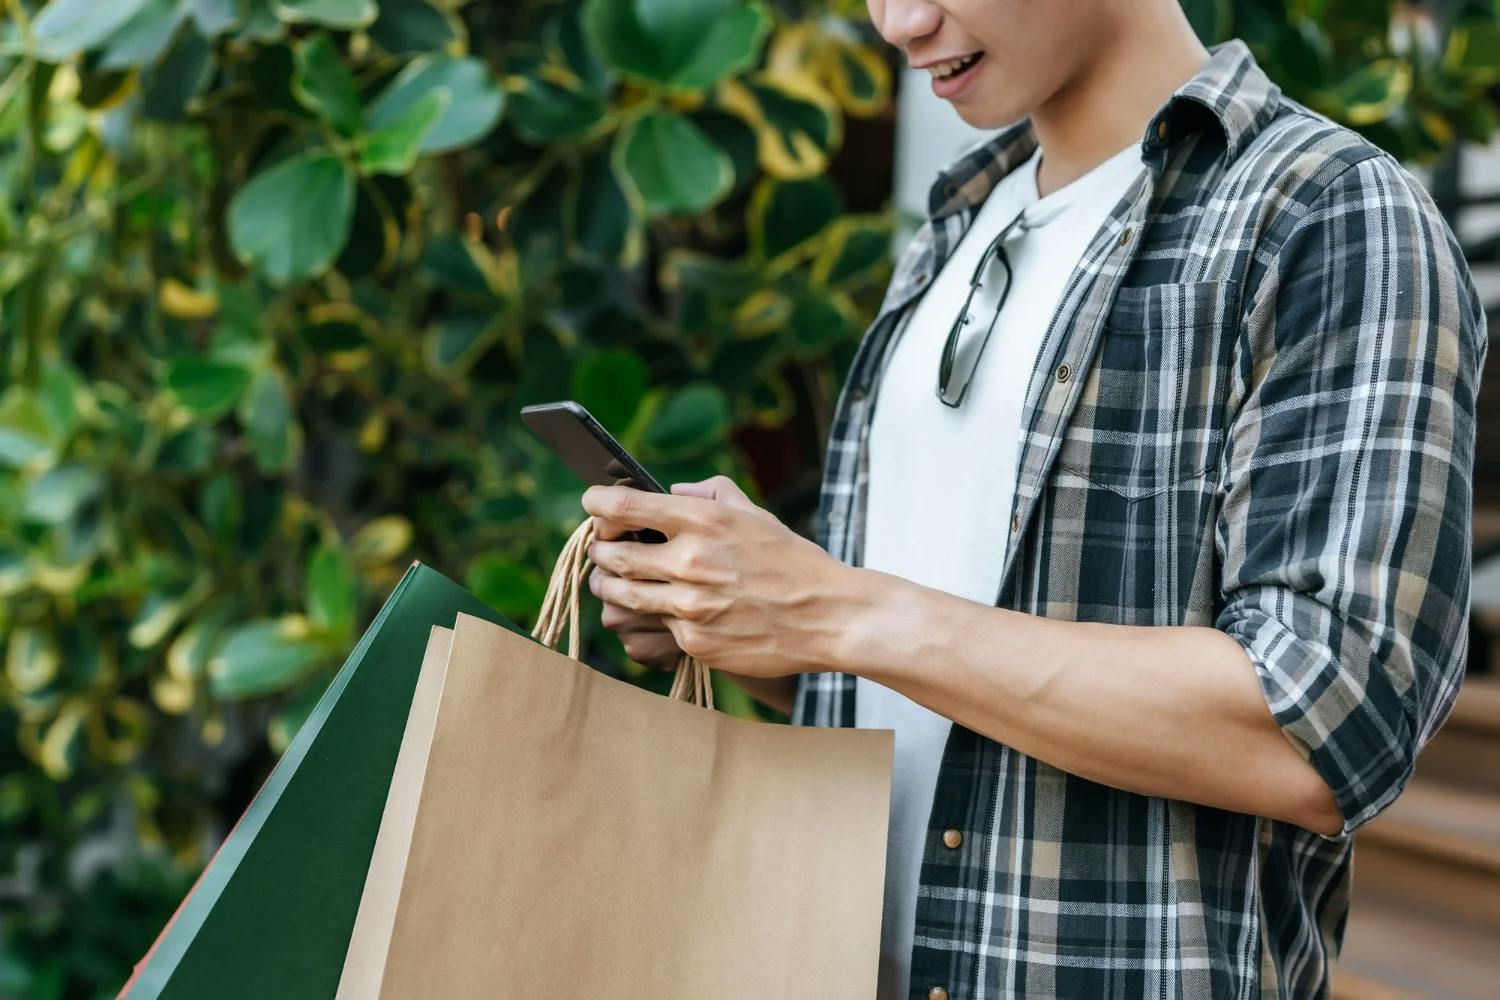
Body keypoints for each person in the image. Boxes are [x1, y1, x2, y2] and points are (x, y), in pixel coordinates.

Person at [580, 1, 1489, 997]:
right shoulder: (958, 224)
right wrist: (748, 616)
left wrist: (829, 608)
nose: (900, 23)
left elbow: (1323, 725)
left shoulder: (1324, 213)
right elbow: (933, 681)